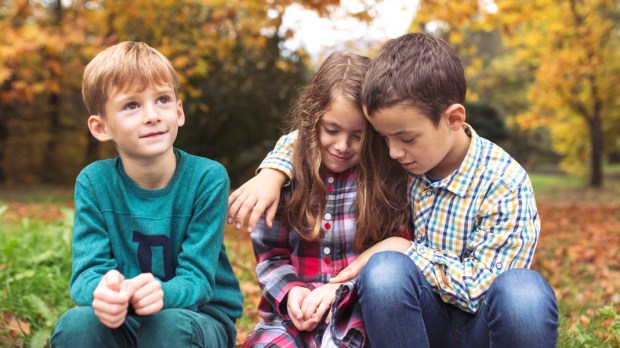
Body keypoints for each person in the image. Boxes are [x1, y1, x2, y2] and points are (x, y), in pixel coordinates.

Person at [228, 33, 559, 347]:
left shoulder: (505, 184)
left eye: (405, 138)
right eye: (382, 138)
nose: (392, 152)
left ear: (454, 119)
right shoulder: (402, 159)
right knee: (385, 271)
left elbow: (479, 288)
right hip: (417, 325)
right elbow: (310, 138)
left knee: (524, 291)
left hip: (483, 330)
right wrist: (273, 170)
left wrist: (405, 248)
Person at [50, 41, 243, 348]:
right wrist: (103, 291)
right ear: (101, 127)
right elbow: (87, 273)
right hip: (125, 319)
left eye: (163, 100)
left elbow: (198, 280)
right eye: (131, 105)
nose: (152, 115)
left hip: (198, 320)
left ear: (179, 112)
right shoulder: (93, 183)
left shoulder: (207, 178)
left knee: (167, 326)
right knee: (76, 325)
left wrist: (161, 293)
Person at [242, 52, 410, 348]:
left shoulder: (384, 181)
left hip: (355, 315)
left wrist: (342, 290)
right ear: (312, 121)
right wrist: (291, 291)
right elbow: (271, 254)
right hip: (293, 316)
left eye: (358, 136)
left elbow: (392, 264)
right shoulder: (289, 178)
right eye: (331, 130)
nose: (343, 146)